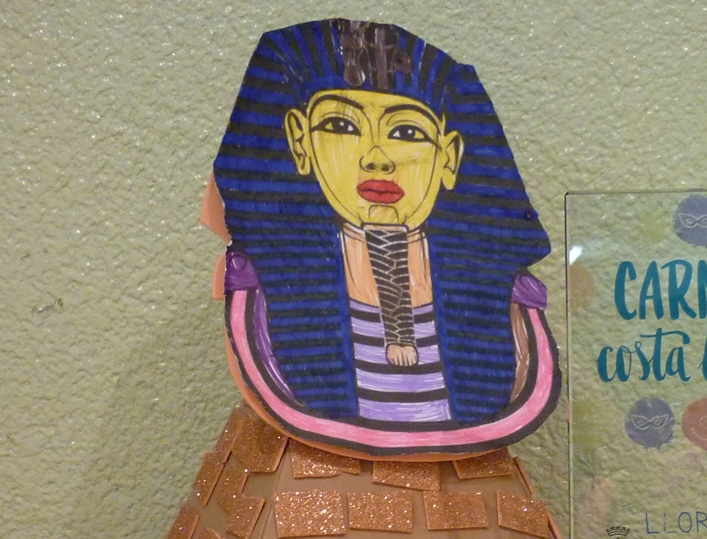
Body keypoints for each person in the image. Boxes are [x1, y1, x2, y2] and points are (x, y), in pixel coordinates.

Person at [213, 19, 559, 457]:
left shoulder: (508, 295)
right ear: (299, 142)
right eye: (341, 126)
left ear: (449, 156)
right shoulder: (258, 285)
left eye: (407, 132)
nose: (377, 159)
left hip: (468, 489)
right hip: (311, 478)